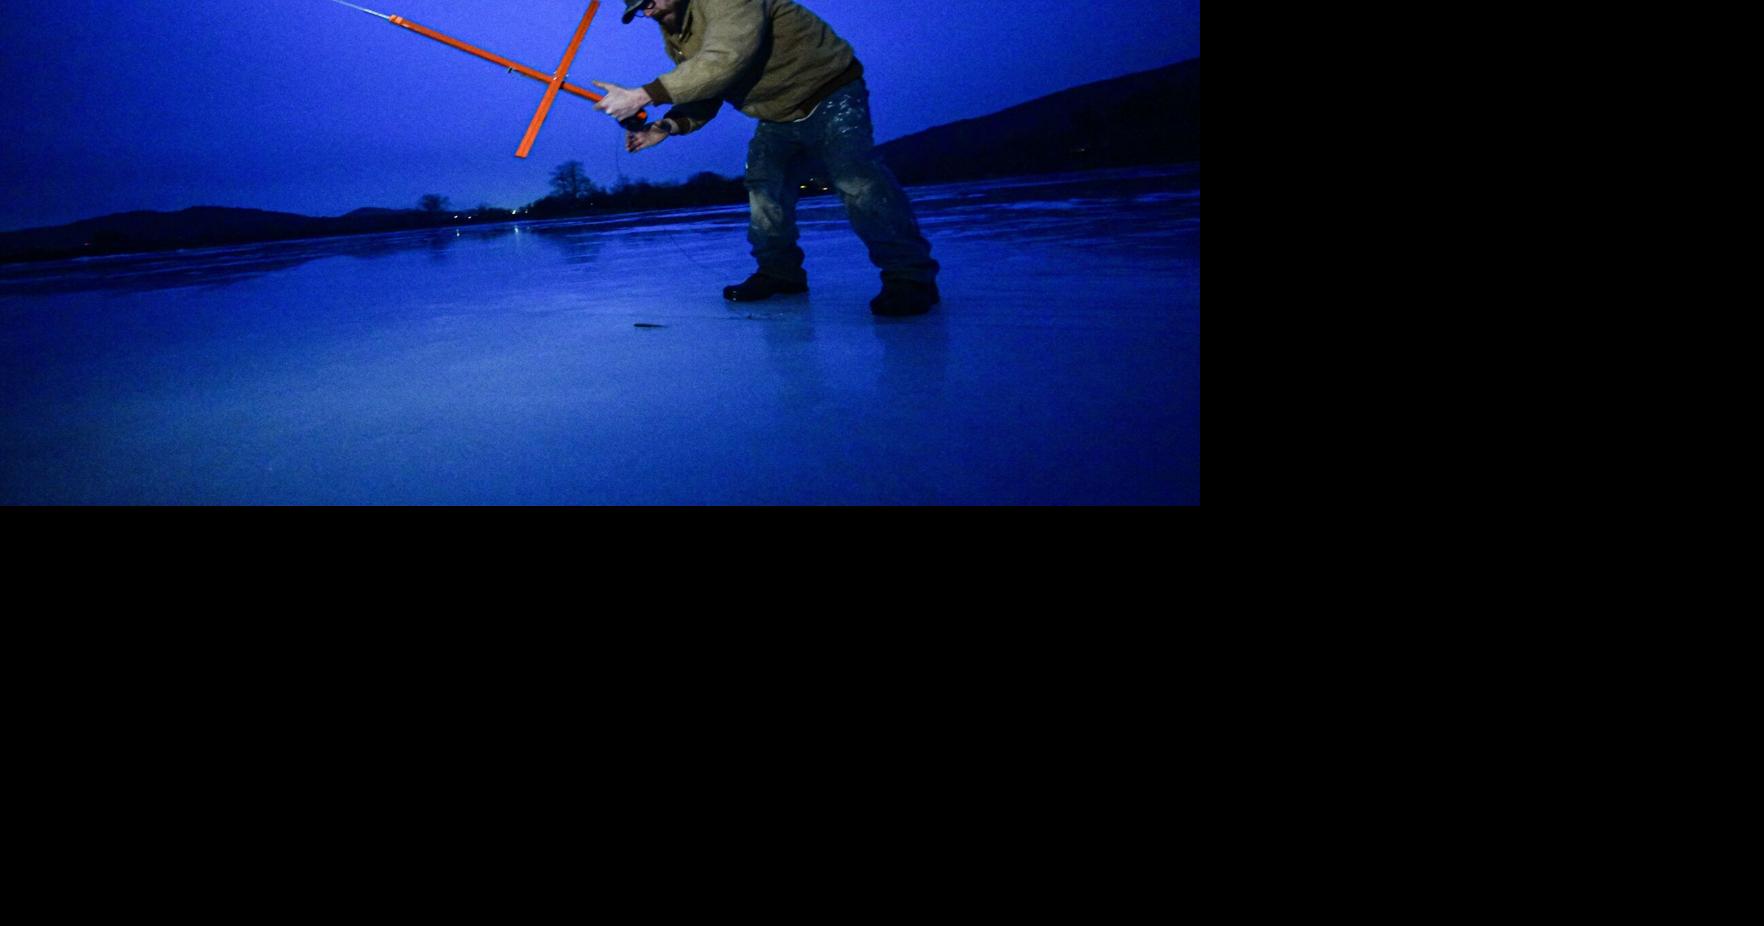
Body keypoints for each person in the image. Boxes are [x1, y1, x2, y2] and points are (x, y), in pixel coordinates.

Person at [592, 0, 941, 317]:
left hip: (829, 92)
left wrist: (643, 95)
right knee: (763, 189)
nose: (648, 11)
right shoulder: (676, 36)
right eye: (639, 9)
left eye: (649, 1)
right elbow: (706, 89)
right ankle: (780, 273)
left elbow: (726, 57)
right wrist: (667, 126)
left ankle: (909, 277)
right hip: (777, 116)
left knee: (856, 179)